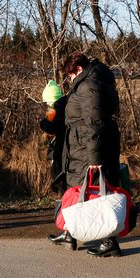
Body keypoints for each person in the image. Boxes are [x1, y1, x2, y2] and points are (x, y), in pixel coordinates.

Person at [49, 52, 122, 257]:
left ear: (78, 69)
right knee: (77, 191)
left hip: (88, 150)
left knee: (97, 193)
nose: (70, 79)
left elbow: (95, 124)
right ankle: (70, 232)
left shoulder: (88, 87)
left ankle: (110, 241)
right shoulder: (88, 83)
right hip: (81, 148)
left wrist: (95, 160)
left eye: (71, 74)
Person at [40, 80, 67, 193]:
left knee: (58, 172)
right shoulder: (68, 102)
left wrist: (43, 123)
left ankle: (62, 195)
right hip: (68, 144)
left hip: (60, 146)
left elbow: (49, 126)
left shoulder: (55, 108)